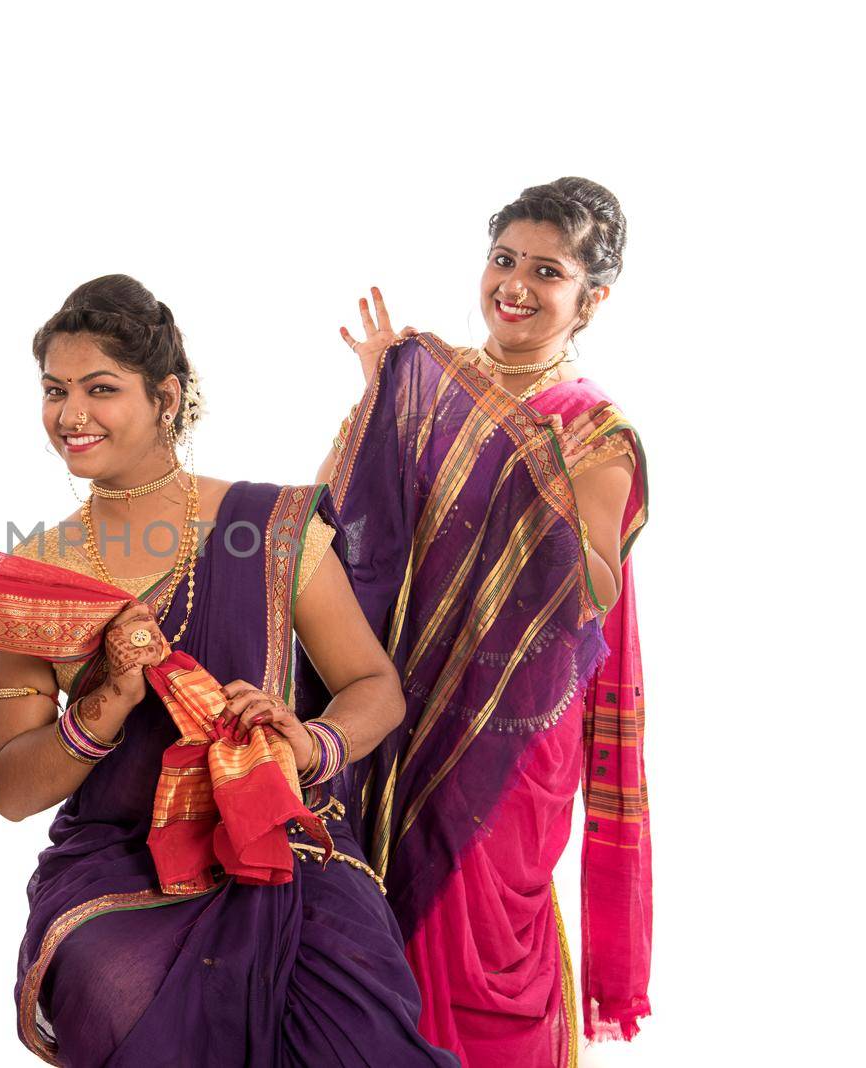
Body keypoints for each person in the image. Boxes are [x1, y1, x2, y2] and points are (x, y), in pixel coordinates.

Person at [0, 275, 456, 1066]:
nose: (72, 415)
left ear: (166, 396)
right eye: (55, 390)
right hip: (123, 863)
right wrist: (104, 702)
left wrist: (308, 744)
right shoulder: (35, 572)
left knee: (355, 1024)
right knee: (112, 978)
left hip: (284, 846)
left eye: (102, 389)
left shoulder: (266, 528)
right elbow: (11, 788)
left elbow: (375, 689)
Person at [318, 178, 650, 1066]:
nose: (515, 284)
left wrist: (526, 475)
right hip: (398, 702)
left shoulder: (594, 431)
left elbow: (594, 588)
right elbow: (336, 526)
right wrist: (379, 407)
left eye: (548, 271)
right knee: (367, 936)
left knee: (474, 951)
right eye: (504, 259)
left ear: (592, 298)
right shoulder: (436, 391)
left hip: (507, 737)